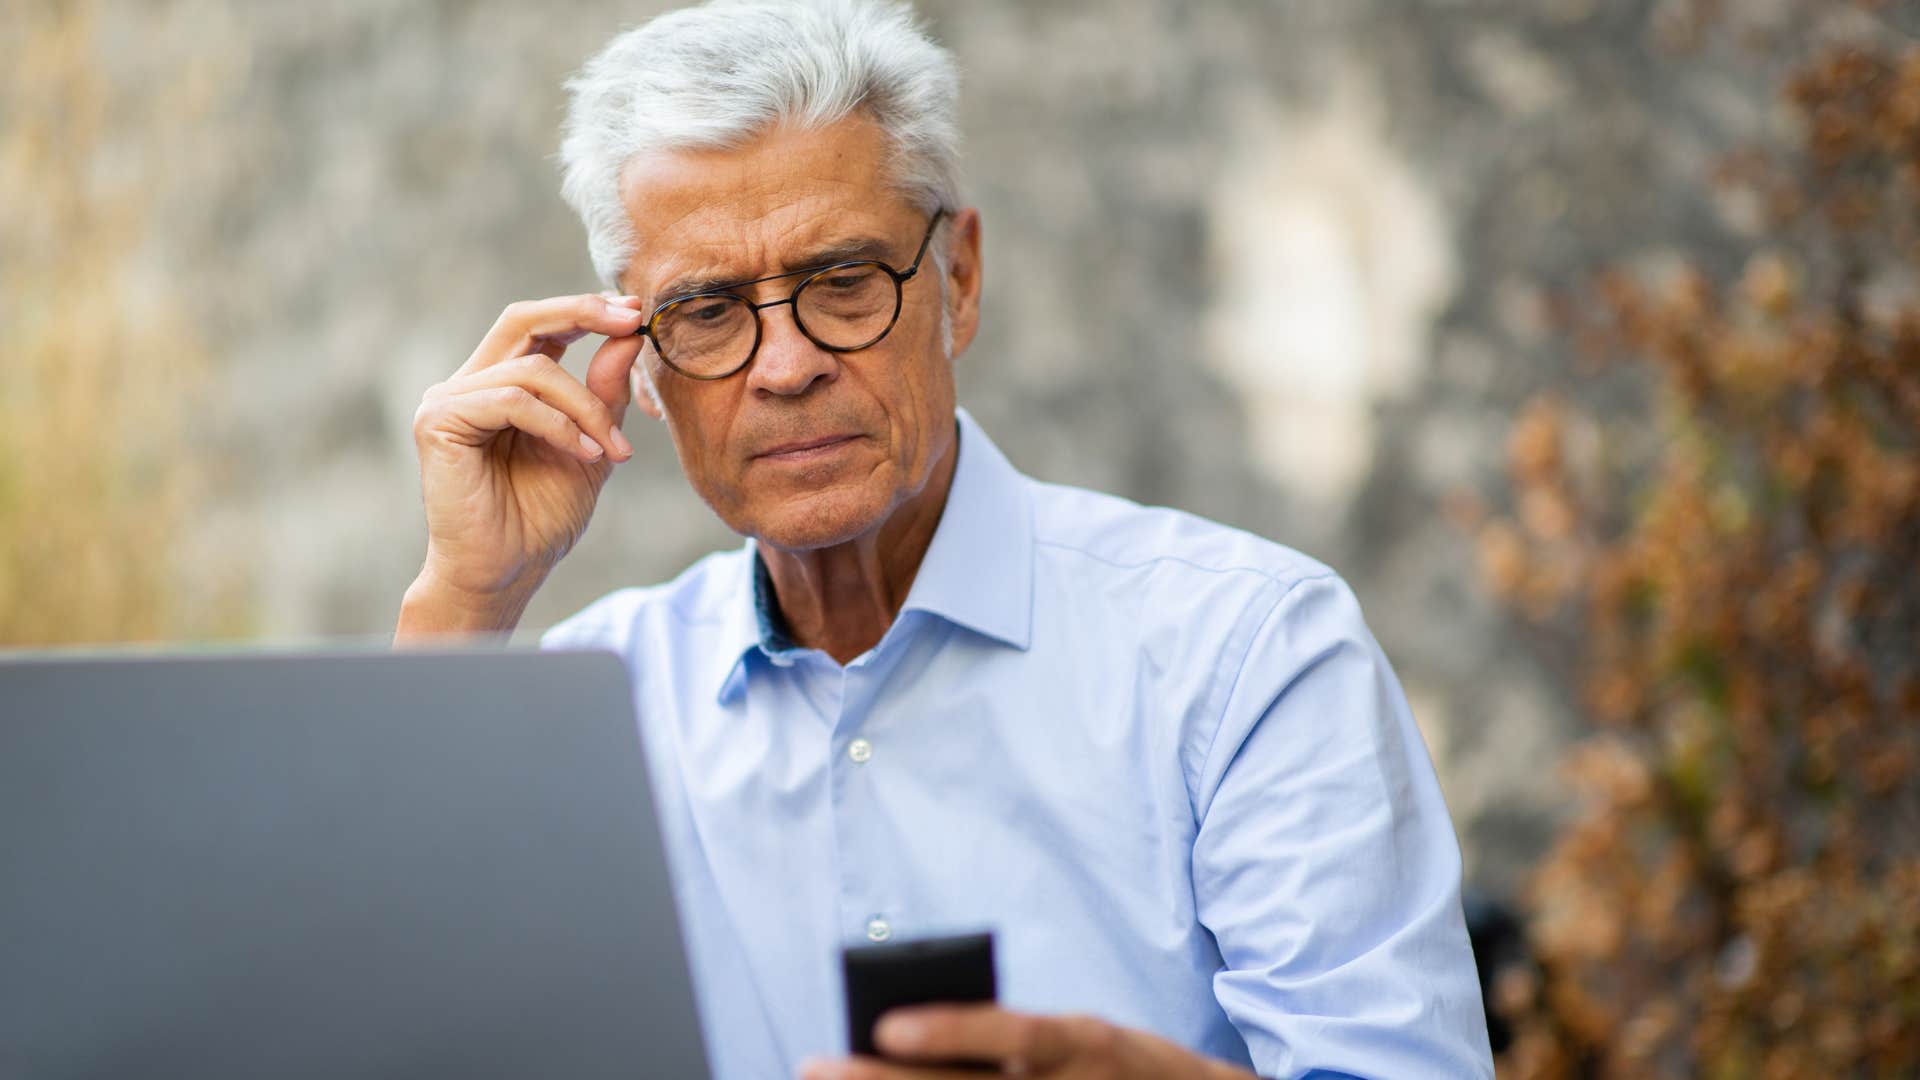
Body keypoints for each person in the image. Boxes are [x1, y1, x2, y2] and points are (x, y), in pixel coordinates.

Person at [395, 1, 1494, 1076]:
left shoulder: (1243, 653)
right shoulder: (594, 706)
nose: (786, 367)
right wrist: (465, 601)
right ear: (635, 360)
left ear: (957, 281)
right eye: (709, 312)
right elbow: (390, 1025)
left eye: (842, 283)